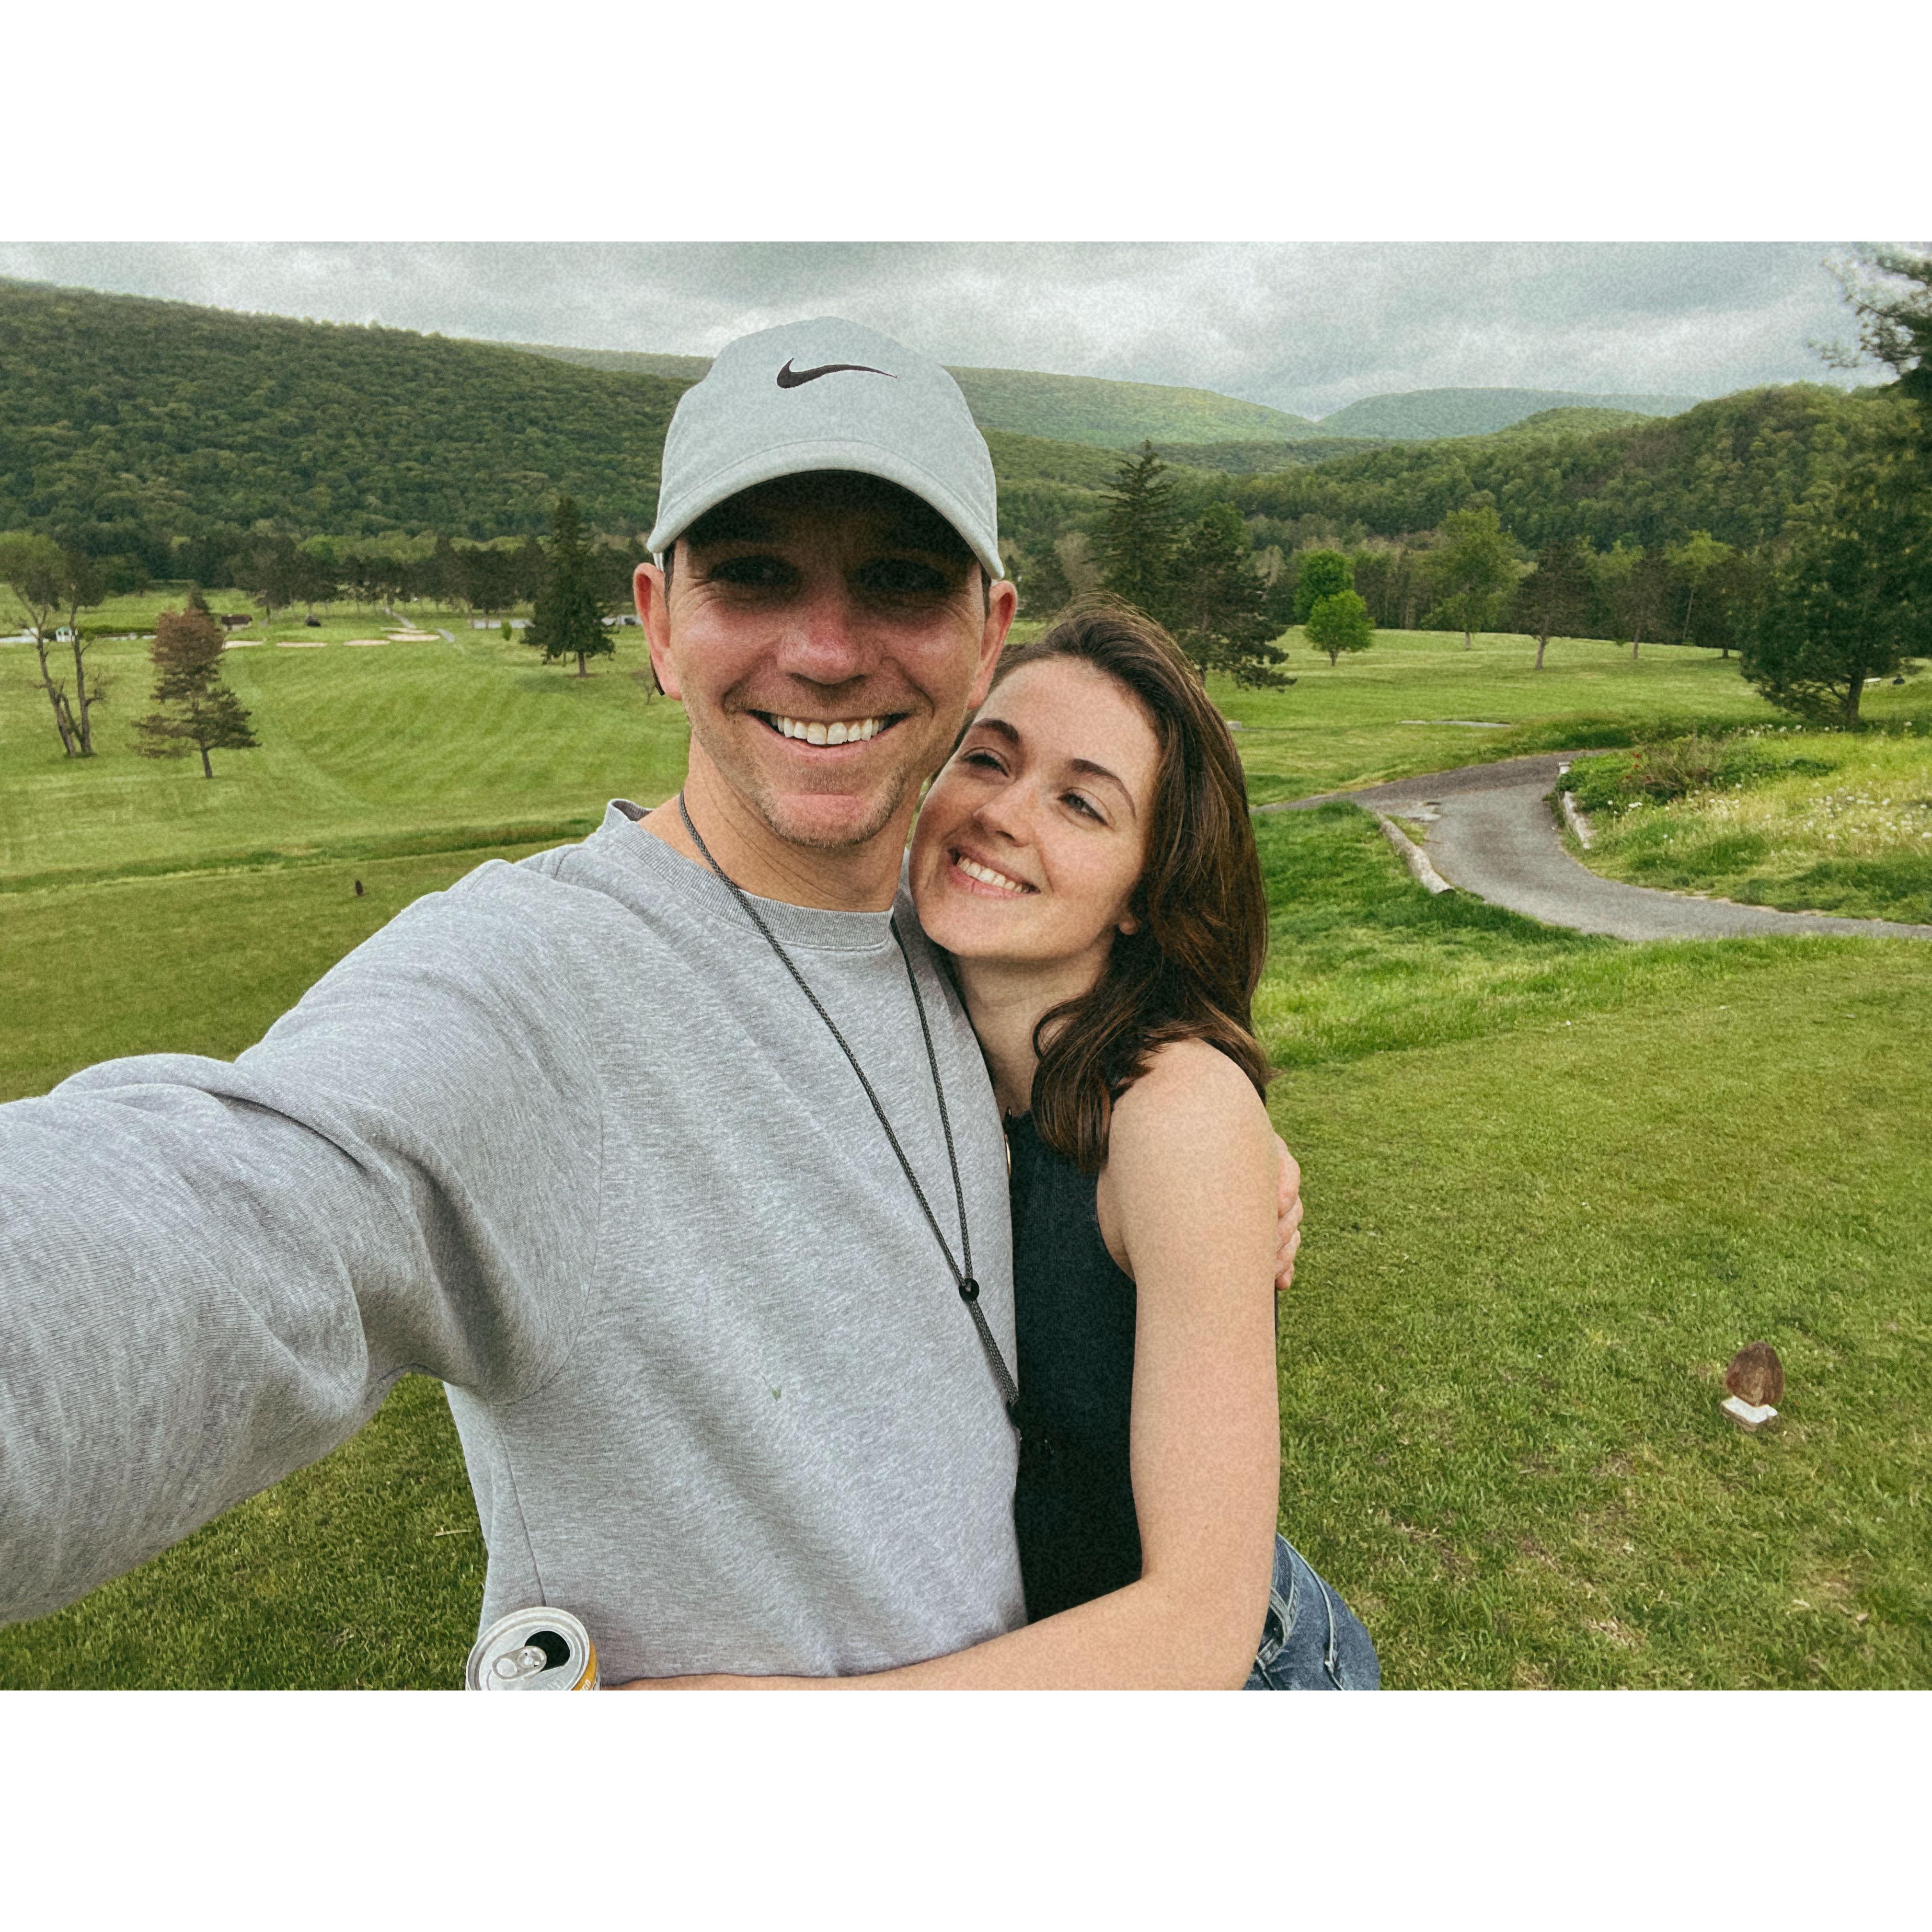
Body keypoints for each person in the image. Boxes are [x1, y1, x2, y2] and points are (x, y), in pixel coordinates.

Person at [0, 317, 1301, 1686]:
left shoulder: (954, 942)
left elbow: (1127, 1051)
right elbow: (234, 1203)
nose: (824, 649)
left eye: (899, 580)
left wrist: (1210, 1144)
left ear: (985, 638)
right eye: (751, 575)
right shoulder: (523, 985)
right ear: (659, 623)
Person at [619, 603, 1377, 1689]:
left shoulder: (1175, 1116)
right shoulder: (904, 1004)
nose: (1002, 816)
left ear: (1140, 895)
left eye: (1081, 803)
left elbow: (1201, 1618)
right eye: (987, 760)